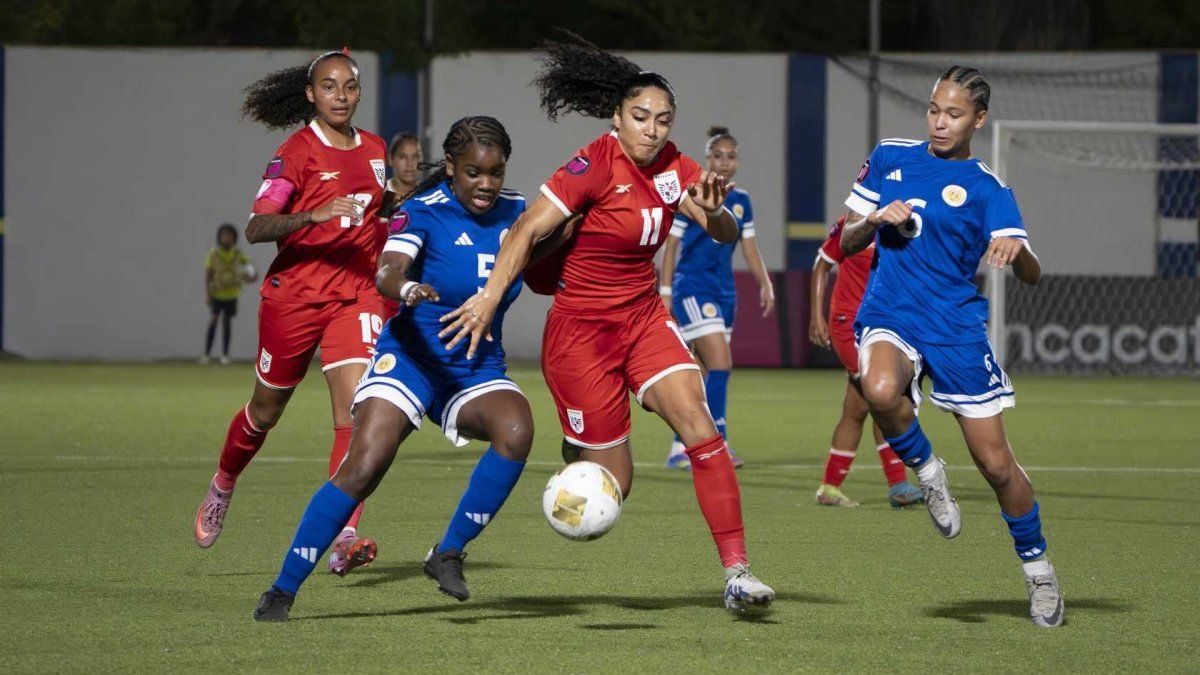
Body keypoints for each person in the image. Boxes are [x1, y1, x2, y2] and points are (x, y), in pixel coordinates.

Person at [439, 34, 775, 614]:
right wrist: (488, 299)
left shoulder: (677, 168)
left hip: (642, 320)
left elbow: (719, 231)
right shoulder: (591, 165)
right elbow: (525, 231)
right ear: (617, 117)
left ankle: (737, 573)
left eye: (663, 120)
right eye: (640, 117)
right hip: (581, 338)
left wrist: (715, 209)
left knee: (699, 425)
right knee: (615, 484)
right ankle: (578, 456)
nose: (652, 129)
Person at [254, 116, 532, 621]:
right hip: (410, 359)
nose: (486, 184)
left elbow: (556, 244)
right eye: (473, 172)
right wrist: (407, 288)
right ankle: (282, 588)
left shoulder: (518, 212)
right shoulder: (423, 210)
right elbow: (387, 270)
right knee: (364, 465)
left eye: (495, 172)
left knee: (516, 429)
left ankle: (448, 553)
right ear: (451, 167)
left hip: (474, 367)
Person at [840, 66, 1062, 627]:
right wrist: (875, 219)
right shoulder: (890, 156)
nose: (940, 122)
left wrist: (1017, 249)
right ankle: (927, 469)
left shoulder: (988, 189)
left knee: (996, 465)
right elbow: (845, 240)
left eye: (954, 114)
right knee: (877, 388)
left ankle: (1039, 571)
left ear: (978, 120)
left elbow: (1033, 274)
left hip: (955, 327)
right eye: (934, 110)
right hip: (891, 311)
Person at [193, 49, 389, 579]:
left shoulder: (375, 149)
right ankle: (223, 482)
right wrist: (314, 214)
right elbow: (258, 226)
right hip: (296, 298)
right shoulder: (295, 153)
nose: (341, 96)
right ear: (311, 94)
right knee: (265, 412)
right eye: (329, 86)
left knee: (358, 413)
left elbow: (377, 212)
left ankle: (343, 537)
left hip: (355, 295)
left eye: (349, 86)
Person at [658, 125, 774, 470]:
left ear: (737, 160)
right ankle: (718, 442)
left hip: (725, 291)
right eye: (718, 156)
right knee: (721, 364)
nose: (725, 162)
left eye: (731, 156)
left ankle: (681, 447)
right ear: (708, 158)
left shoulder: (742, 201)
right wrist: (665, 292)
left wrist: (765, 283)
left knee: (706, 371)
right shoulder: (695, 193)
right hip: (693, 288)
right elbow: (671, 246)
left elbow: (749, 248)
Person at [809, 215, 924, 507]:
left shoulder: (905, 226)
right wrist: (816, 317)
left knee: (856, 408)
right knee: (885, 399)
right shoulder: (854, 223)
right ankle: (898, 484)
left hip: (881, 326)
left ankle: (829, 488)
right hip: (848, 324)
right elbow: (822, 265)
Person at [202, 223, 256, 365]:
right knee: (214, 320)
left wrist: (249, 275)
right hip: (217, 293)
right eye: (223, 235)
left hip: (231, 294)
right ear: (219, 237)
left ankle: (225, 355)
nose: (226, 238)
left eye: (229, 236)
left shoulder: (238, 254)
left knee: (227, 323)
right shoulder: (214, 254)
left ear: (234, 238)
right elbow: (208, 274)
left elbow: (251, 271)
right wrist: (207, 292)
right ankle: (207, 354)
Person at [382, 130, 423, 212]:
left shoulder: (429, 193)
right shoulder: (381, 195)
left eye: (415, 157)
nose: (410, 163)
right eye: (402, 157)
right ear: (390, 159)